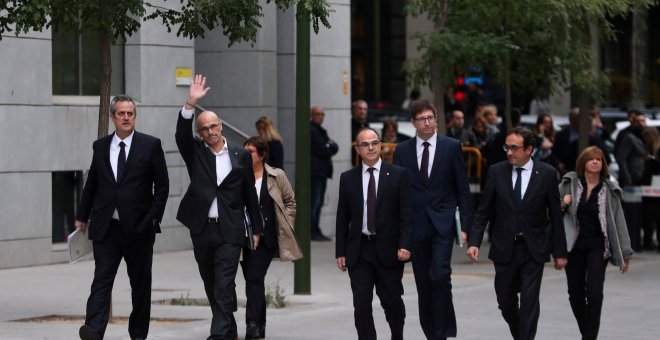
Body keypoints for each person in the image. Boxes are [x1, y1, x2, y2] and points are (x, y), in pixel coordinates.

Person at [176, 74, 263, 340]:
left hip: (230, 228)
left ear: (221, 126)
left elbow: (249, 192)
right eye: (205, 128)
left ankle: (217, 334)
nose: (210, 131)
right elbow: (180, 134)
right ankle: (229, 329)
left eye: (214, 126)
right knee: (211, 281)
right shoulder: (196, 153)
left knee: (225, 282)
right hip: (202, 228)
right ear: (200, 133)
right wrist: (190, 103)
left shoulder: (241, 155)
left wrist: (256, 228)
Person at [76, 95, 169, 340]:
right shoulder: (100, 146)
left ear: (135, 117)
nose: (126, 117)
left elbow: (162, 187)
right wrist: (82, 215)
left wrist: (151, 218)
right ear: (113, 117)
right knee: (101, 280)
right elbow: (92, 183)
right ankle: (94, 330)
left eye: (130, 114)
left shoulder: (151, 145)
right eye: (121, 113)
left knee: (140, 285)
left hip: (139, 229)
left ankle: (138, 334)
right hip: (107, 228)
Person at [467, 127, 568, 340]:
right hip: (504, 247)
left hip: (533, 248)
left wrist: (560, 252)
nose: (509, 152)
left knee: (530, 301)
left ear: (529, 149)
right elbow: (483, 209)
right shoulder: (496, 171)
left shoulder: (547, 173)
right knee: (505, 301)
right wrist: (474, 241)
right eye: (507, 147)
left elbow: (556, 217)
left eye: (515, 148)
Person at [393, 100, 472, 339]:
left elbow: (463, 190)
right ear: (412, 123)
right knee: (423, 283)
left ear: (436, 119)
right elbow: (399, 192)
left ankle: (443, 330)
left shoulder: (451, 147)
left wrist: (466, 226)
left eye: (430, 118)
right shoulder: (402, 150)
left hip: (443, 222)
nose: (427, 123)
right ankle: (432, 332)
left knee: (439, 274)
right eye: (421, 119)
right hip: (415, 225)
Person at [336, 127, 413, 340]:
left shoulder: (398, 175)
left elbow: (406, 214)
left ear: (380, 145)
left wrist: (405, 244)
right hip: (359, 250)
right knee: (361, 305)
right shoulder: (348, 178)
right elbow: (343, 217)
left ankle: (397, 335)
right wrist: (340, 251)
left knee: (392, 302)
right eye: (365, 144)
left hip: (389, 250)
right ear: (357, 149)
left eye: (374, 143)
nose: (371, 147)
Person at [558, 146, 632, 340]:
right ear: (583, 163)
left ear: (603, 164)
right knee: (575, 295)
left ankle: (589, 337)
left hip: (599, 247)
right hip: (573, 246)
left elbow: (619, 221)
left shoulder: (609, 190)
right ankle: (588, 333)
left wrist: (625, 252)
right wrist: (563, 203)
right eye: (591, 159)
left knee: (594, 293)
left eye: (599, 159)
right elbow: (549, 211)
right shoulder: (569, 183)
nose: (595, 162)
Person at [241, 136, 303, 339]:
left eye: (249, 151)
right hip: (244, 237)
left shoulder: (276, 176)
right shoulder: (239, 175)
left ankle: (251, 324)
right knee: (253, 282)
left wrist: (286, 224)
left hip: (267, 238)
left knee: (254, 277)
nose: (245, 155)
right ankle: (260, 325)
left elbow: (290, 202)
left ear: (261, 154)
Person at [311, 105, 339, 241]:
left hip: (321, 172)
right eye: (318, 114)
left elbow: (334, 147)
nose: (320, 116)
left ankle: (315, 229)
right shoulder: (312, 131)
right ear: (312, 115)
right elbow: (323, 149)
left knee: (318, 202)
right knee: (315, 203)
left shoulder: (320, 131)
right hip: (315, 172)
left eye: (322, 114)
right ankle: (313, 230)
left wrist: (330, 145)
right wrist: (329, 145)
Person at [351, 100, 370, 165]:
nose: (362, 111)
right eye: (360, 109)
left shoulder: (366, 125)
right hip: (352, 162)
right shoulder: (349, 125)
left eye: (365, 109)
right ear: (354, 110)